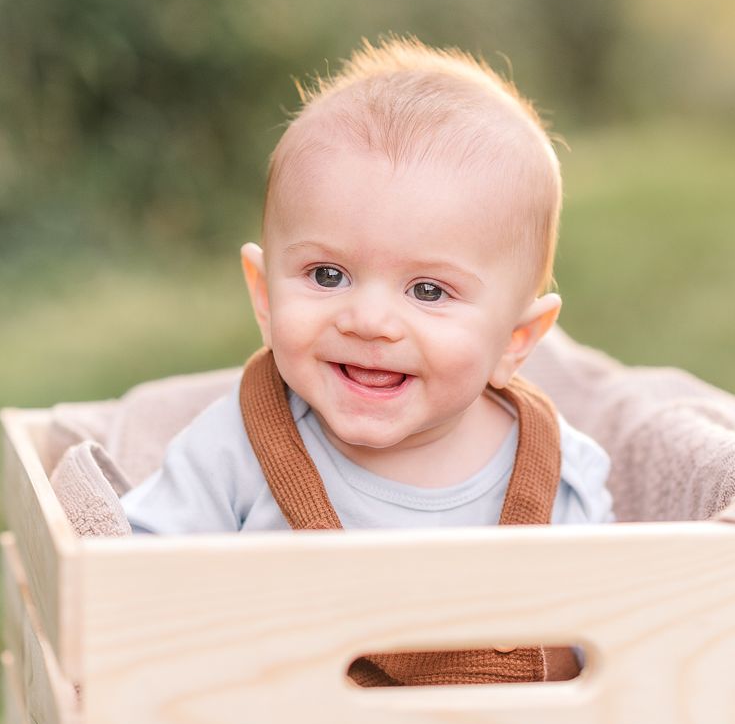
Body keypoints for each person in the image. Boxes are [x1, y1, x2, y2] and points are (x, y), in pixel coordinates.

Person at [121, 37, 613, 684]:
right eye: (328, 274)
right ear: (265, 294)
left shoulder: (558, 475)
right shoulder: (239, 446)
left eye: (429, 291)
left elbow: (614, 649)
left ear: (516, 340)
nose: (370, 321)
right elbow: (127, 589)